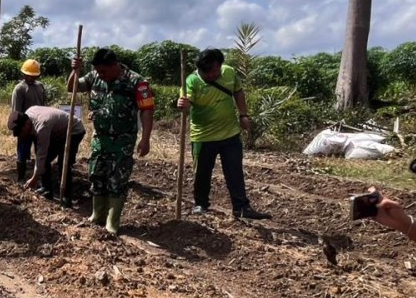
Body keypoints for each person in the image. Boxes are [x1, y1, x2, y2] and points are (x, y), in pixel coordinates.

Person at [177, 48, 270, 219]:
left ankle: (241, 207)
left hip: (230, 134)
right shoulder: (191, 81)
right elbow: (186, 103)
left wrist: (243, 114)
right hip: (203, 136)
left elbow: (238, 91)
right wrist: (183, 104)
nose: (212, 75)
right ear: (200, 69)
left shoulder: (229, 72)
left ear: (221, 65)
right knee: (202, 173)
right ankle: (201, 204)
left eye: (215, 70)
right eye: (208, 72)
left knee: (235, 172)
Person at [70, 48, 154, 235]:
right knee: (96, 175)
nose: (101, 75)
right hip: (99, 139)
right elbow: (72, 87)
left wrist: (145, 139)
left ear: (115, 65)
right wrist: (75, 70)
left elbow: (147, 110)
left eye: (104, 71)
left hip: (122, 141)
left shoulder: (137, 82)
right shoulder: (94, 76)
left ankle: (112, 221)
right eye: (98, 71)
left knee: (117, 179)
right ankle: (97, 215)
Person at [9, 106, 86, 204]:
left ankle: (66, 197)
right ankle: (46, 189)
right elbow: (40, 154)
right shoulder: (28, 113)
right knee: (45, 160)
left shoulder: (42, 127)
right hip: (58, 132)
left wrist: (34, 179)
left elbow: (42, 154)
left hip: (74, 130)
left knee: (64, 162)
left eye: (21, 131)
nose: (22, 134)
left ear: (26, 124)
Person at [11, 59, 47, 183]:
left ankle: (39, 177)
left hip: (39, 126)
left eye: (33, 76)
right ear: (23, 74)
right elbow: (16, 111)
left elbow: (43, 106)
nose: (31, 78)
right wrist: (19, 128)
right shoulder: (19, 89)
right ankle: (21, 178)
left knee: (40, 151)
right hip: (25, 127)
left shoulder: (40, 86)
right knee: (23, 151)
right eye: (28, 75)